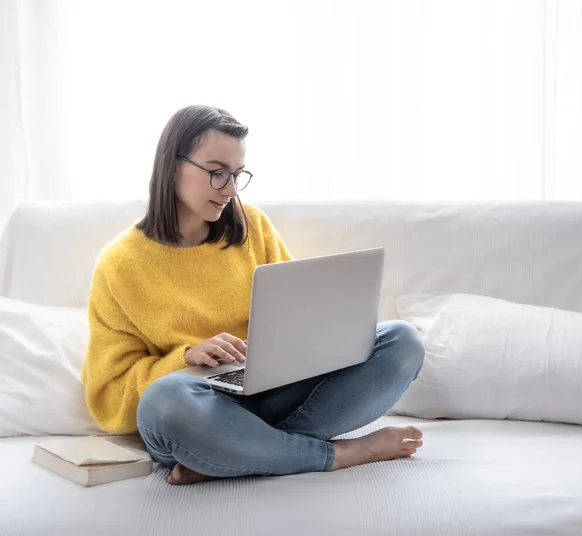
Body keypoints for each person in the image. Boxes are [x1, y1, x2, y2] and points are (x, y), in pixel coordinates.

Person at [82, 105, 426, 485]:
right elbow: (111, 394)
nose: (230, 190)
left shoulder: (252, 226)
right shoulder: (119, 265)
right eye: (216, 173)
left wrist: (322, 334)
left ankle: (233, 457)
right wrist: (187, 358)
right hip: (200, 409)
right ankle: (341, 454)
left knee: (402, 341)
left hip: (274, 394)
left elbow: (297, 312)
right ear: (172, 165)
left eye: (236, 175)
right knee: (165, 400)